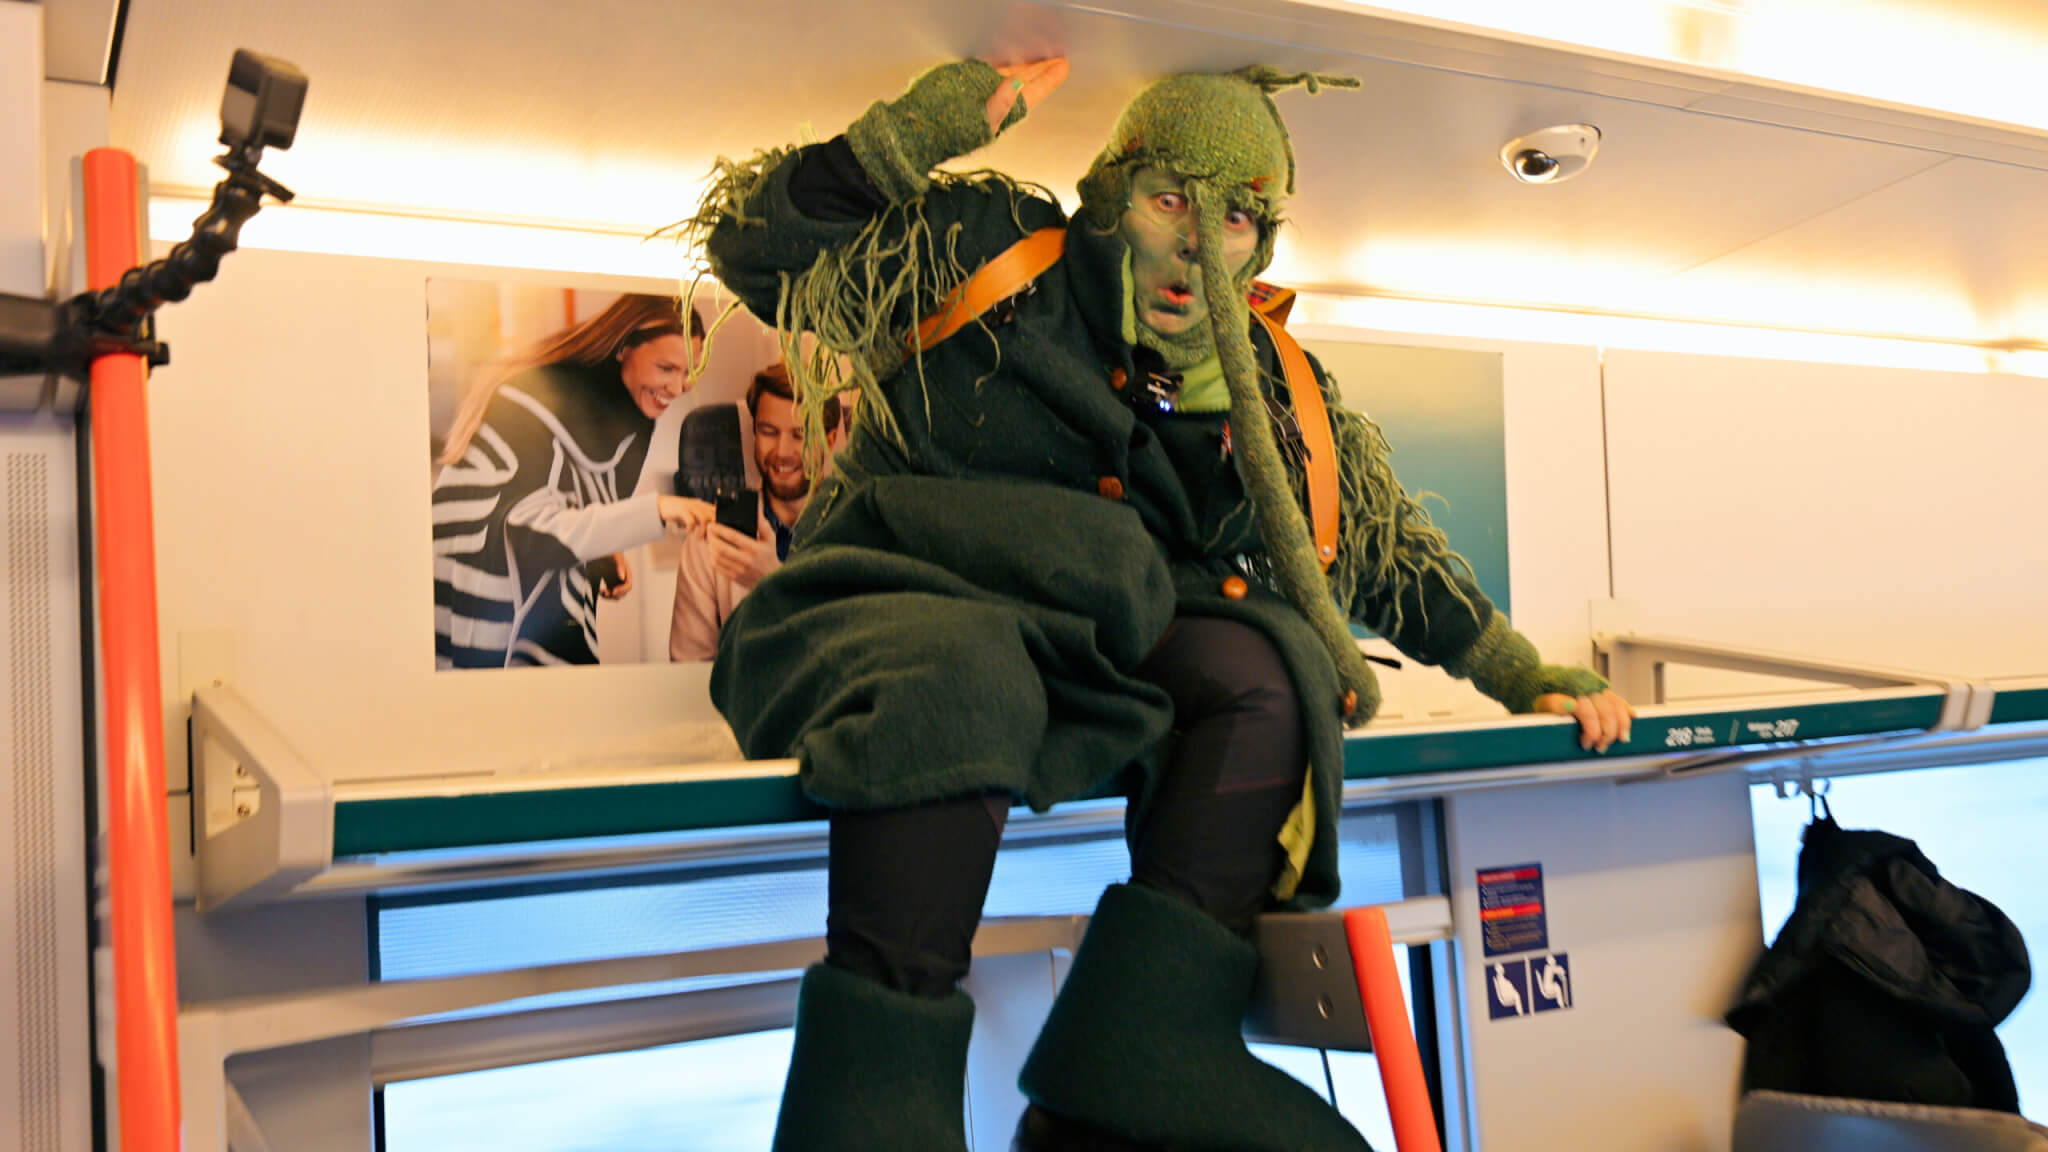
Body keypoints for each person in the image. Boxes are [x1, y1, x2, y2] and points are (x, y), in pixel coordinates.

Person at [687, 58, 1635, 1151]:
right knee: (963, 680)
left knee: (1266, 670)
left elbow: (1383, 548)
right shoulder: (990, 253)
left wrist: (1521, 671)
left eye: (1233, 218)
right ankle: (872, 1107)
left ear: (1261, 242)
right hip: (898, 593)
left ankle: (1143, 1037)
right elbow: (754, 250)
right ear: (1112, 190)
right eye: (1171, 199)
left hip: (1096, 637)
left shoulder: (1270, 385)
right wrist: (903, 140)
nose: (1196, 245)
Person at [432, 293, 713, 668]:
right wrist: (657, 510)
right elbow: (525, 533)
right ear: (622, 349)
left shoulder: (630, 421)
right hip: (483, 635)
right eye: (666, 368)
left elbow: (566, 515)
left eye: (689, 373)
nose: (677, 389)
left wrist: (602, 549)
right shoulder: (527, 403)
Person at [668, 362, 844, 662]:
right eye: (768, 432)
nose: (783, 451)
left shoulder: (860, 531)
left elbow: (859, 654)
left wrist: (773, 580)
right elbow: (689, 667)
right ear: (754, 433)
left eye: (800, 434)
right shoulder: (708, 541)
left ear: (828, 440)